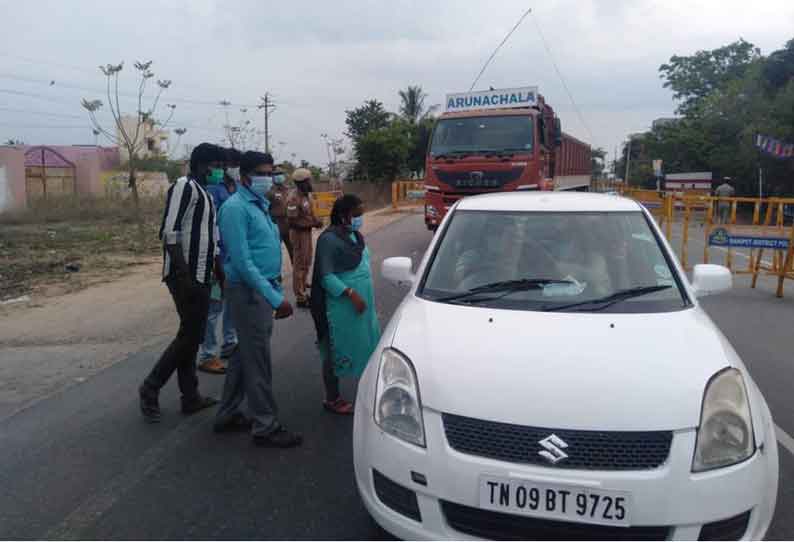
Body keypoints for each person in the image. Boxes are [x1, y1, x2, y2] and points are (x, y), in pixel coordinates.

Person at [214, 151, 302, 448]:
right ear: (246, 177)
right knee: (258, 362)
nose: (270, 177)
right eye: (265, 172)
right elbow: (241, 261)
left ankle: (226, 413)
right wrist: (274, 298)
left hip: (262, 288)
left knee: (245, 354)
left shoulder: (260, 205)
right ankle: (265, 425)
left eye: (272, 171)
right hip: (250, 292)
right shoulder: (235, 208)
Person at [139, 143, 225, 423]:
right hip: (185, 276)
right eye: (217, 165)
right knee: (190, 336)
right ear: (202, 164)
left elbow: (209, 239)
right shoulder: (184, 186)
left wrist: (218, 272)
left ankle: (190, 396)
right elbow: (169, 232)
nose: (220, 171)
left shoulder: (206, 194)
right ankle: (150, 387)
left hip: (202, 275)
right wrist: (185, 276)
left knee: (191, 335)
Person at [310, 195, 380, 414]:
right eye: (356, 215)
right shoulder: (328, 240)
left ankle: (369, 391)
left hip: (361, 307)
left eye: (361, 214)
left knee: (365, 345)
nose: (360, 219)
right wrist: (351, 293)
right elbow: (326, 277)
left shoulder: (354, 236)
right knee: (335, 348)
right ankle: (332, 398)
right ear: (343, 216)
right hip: (340, 307)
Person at [196, 147, 240, 374]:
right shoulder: (212, 190)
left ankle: (229, 342)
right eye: (226, 165)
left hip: (233, 257)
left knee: (231, 302)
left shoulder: (235, 188)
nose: (229, 168)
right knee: (214, 308)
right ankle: (207, 354)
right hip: (217, 257)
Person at [287, 168, 322, 308]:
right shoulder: (293, 199)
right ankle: (300, 297)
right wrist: (314, 223)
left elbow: (309, 213)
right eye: (308, 181)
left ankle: (303, 282)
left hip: (306, 233)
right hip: (298, 234)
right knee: (299, 264)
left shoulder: (306, 195)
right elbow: (292, 221)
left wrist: (315, 221)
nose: (310, 183)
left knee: (307, 260)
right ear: (301, 183)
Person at [267, 166, 293, 262]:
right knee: (275, 251)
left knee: (292, 250)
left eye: (280, 174)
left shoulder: (288, 189)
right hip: (275, 223)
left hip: (288, 223)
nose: (279, 176)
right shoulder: (269, 190)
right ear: (272, 177)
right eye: (276, 174)